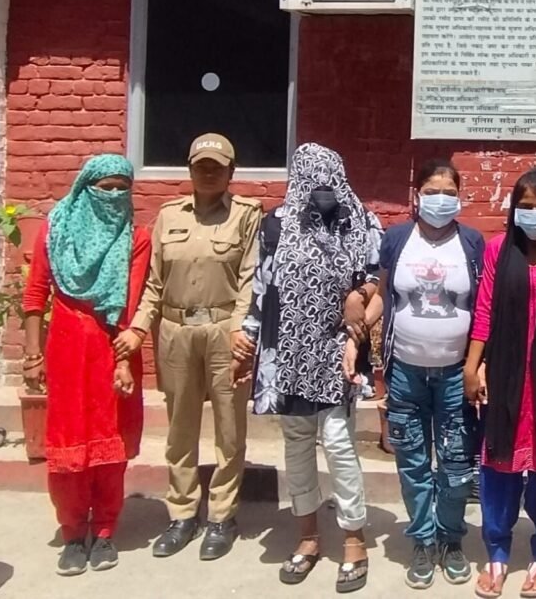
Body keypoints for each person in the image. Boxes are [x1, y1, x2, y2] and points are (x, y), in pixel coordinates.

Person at [237, 143, 382, 591]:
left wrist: (359, 297)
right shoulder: (276, 225)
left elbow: (376, 278)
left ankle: (354, 539)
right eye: (312, 182)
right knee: (297, 443)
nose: (323, 191)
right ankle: (308, 537)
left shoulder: (361, 221)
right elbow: (263, 286)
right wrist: (248, 334)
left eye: (329, 182)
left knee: (338, 442)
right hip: (288, 352)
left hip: (339, 348)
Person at [113, 133, 262, 561]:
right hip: (176, 331)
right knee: (180, 428)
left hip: (223, 331)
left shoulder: (246, 215)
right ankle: (181, 513)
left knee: (229, 430)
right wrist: (138, 329)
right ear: (190, 170)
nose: (209, 173)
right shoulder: (168, 216)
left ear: (232, 172)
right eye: (201, 166)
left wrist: (241, 331)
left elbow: (251, 278)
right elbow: (154, 284)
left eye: (217, 166)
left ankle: (222, 516)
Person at [21, 154, 152, 576]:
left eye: (122, 189)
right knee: (67, 444)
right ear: (85, 187)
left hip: (114, 350)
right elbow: (35, 293)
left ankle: (107, 530)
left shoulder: (136, 238)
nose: (113, 196)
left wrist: (123, 361)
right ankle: (74, 533)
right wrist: (32, 355)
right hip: (65, 349)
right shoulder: (56, 231)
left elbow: (129, 304)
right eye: (104, 187)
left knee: (111, 446)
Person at [366, 158, 484, 590]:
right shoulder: (397, 239)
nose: (440, 200)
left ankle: (451, 541)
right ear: (416, 195)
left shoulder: (471, 242)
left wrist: (479, 365)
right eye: (432, 192)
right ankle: (422, 540)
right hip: (405, 374)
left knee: (455, 465)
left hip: (454, 375)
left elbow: (482, 309)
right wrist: (356, 331)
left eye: (449, 192)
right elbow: (383, 295)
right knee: (412, 462)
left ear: (460, 197)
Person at [463, 167, 536, 599]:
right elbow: (484, 309)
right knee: (498, 465)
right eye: (525, 206)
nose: (533, 214)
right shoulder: (498, 249)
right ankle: (497, 552)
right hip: (506, 374)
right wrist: (474, 366)